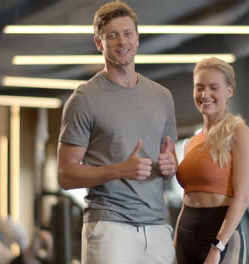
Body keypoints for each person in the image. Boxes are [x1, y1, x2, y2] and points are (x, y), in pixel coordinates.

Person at [57, 2, 178, 264]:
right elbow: (65, 175)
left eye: (127, 33)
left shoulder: (162, 97)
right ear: (99, 44)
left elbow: (169, 160)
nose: (122, 41)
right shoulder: (84, 98)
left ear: (137, 37)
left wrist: (172, 165)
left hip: (158, 226)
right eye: (112, 35)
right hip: (110, 227)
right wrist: (120, 170)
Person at [174, 57, 249, 264]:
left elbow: (242, 197)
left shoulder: (239, 133)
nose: (205, 94)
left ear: (229, 91)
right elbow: (187, 198)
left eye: (213, 87)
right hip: (186, 235)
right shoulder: (190, 143)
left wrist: (218, 246)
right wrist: (175, 242)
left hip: (220, 236)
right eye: (199, 87)